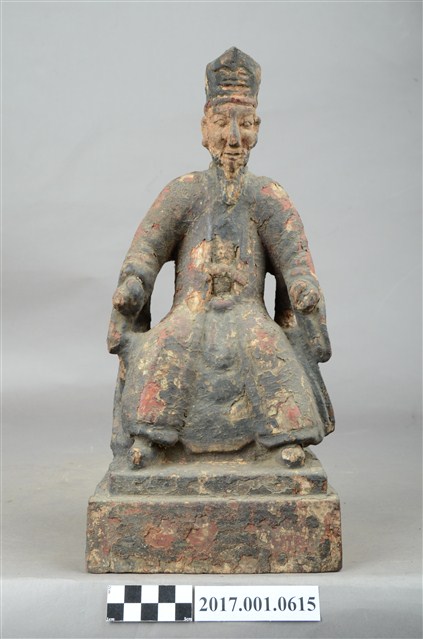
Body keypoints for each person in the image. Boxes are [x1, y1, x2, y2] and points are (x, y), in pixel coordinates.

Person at [107, 47, 334, 470]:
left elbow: (295, 262)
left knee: (264, 345)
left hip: (247, 313)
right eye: (221, 123)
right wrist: (133, 283)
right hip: (190, 312)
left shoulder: (266, 196)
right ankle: (149, 438)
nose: (233, 137)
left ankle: (285, 439)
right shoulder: (184, 192)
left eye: (244, 124)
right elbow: (145, 253)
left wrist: (303, 289)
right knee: (171, 343)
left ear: (257, 129)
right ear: (204, 129)